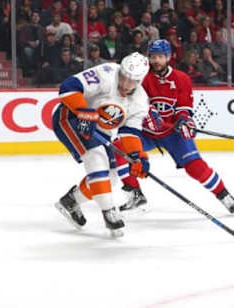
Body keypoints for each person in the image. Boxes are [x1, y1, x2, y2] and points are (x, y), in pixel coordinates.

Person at [115, 40, 234, 213]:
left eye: (160, 57)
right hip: (145, 133)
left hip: (172, 133)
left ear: (168, 57)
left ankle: (225, 196)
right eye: (153, 56)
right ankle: (135, 194)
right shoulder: (142, 77)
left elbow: (184, 108)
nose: (156, 60)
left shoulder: (181, 78)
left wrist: (183, 120)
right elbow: (129, 99)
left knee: (195, 166)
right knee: (118, 150)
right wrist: (145, 111)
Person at [52, 52, 150, 237]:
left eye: (132, 80)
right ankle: (109, 211)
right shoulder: (106, 73)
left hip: (101, 131)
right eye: (124, 76)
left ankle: (71, 201)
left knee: (112, 176)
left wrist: (138, 156)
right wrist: (83, 111)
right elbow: (68, 87)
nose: (126, 83)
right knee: (96, 156)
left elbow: (130, 133)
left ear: (140, 80)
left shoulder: (140, 101)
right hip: (71, 117)